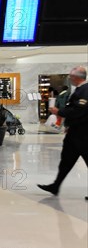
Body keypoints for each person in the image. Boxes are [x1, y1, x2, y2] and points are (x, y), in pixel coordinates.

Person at [38, 66, 88, 200]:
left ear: (78, 77)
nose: (70, 78)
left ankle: (55, 185)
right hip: (75, 133)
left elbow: (79, 111)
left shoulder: (85, 90)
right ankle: (55, 186)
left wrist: (58, 112)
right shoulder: (79, 90)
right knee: (66, 161)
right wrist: (69, 125)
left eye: (71, 76)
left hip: (83, 135)